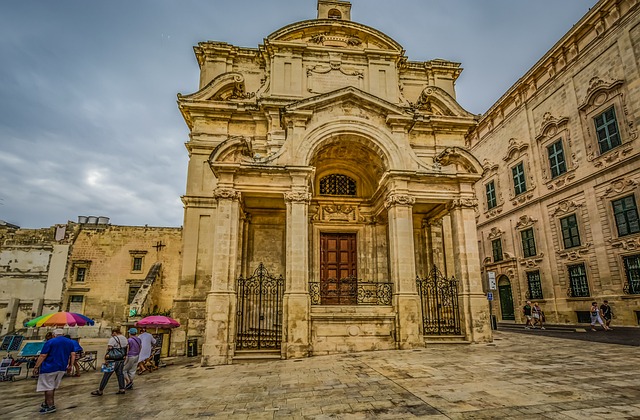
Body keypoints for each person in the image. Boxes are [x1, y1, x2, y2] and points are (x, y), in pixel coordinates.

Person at [32, 328, 76, 414]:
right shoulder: (70, 342)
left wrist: (36, 366)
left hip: (49, 367)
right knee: (51, 387)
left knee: (48, 387)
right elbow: (72, 354)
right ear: (63, 334)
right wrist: (71, 365)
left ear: (53, 335)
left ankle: (50, 406)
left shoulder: (50, 342)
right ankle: (46, 403)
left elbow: (43, 355)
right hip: (62, 368)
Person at [91, 327, 128, 396]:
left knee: (106, 375)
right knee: (120, 374)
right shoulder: (125, 338)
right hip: (121, 359)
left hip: (112, 359)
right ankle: (122, 389)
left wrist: (105, 359)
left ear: (114, 332)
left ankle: (100, 390)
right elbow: (126, 348)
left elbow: (109, 348)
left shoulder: (113, 339)